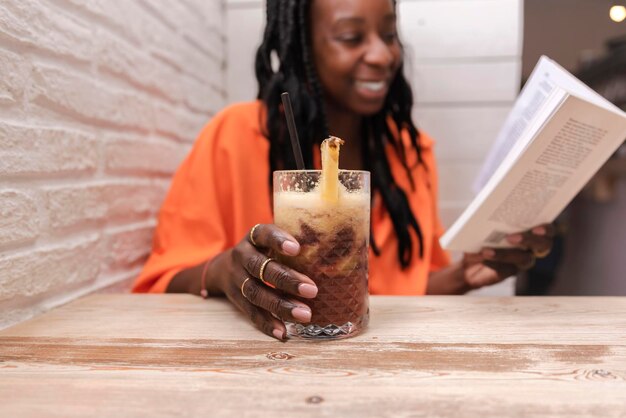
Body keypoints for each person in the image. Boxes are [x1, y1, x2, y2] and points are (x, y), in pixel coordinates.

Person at [133, 0, 554, 340]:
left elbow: (405, 289)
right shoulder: (236, 134)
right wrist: (223, 271)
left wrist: (465, 274)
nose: (382, 54)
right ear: (303, 49)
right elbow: (162, 279)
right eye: (352, 37)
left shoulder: (410, 150)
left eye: (389, 34)